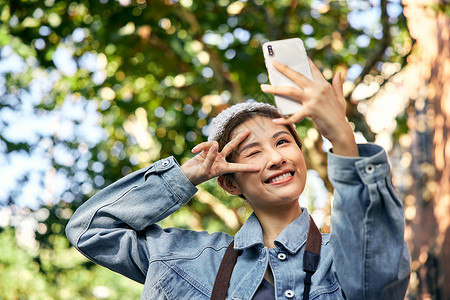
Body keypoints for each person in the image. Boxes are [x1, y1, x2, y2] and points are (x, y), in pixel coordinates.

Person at [66, 59, 411, 299]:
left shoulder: (342, 255)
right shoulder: (189, 259)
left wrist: (343, 139)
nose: (276, 157)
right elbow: (90, 230)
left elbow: (379, 286)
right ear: (230, 183)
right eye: (254, 152)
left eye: (282, 142)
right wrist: (187, 175)